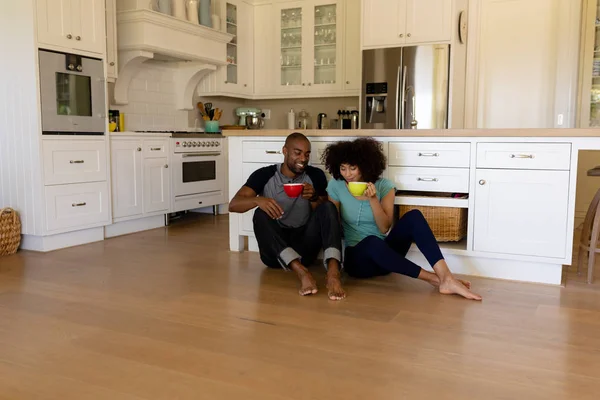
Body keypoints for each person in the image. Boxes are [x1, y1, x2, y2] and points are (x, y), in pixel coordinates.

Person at [322, 137, 482, 301]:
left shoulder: (384, 186)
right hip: (358, 261)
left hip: (385, 256)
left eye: (352, 168)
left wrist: (373, 199)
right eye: (343, 168)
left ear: (364, 165)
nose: (347, 174)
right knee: (371, 243)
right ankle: (435, 279)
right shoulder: (336, 186)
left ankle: (446, 276)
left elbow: (384, 228)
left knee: (414, 216)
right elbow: (334, 226)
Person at [228, 132, 346, 300]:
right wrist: (258, 200)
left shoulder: (315, 175)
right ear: (284, 151)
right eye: (297, 153)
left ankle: (333, 274)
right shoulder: (264, 174)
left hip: (305, 247)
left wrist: (313, 198)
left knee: (328, 206)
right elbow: (233, 205)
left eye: (307, 154)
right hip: (274, 253)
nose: (303, 158)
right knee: (260, 213)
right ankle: (301, 272)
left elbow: (324, 217)